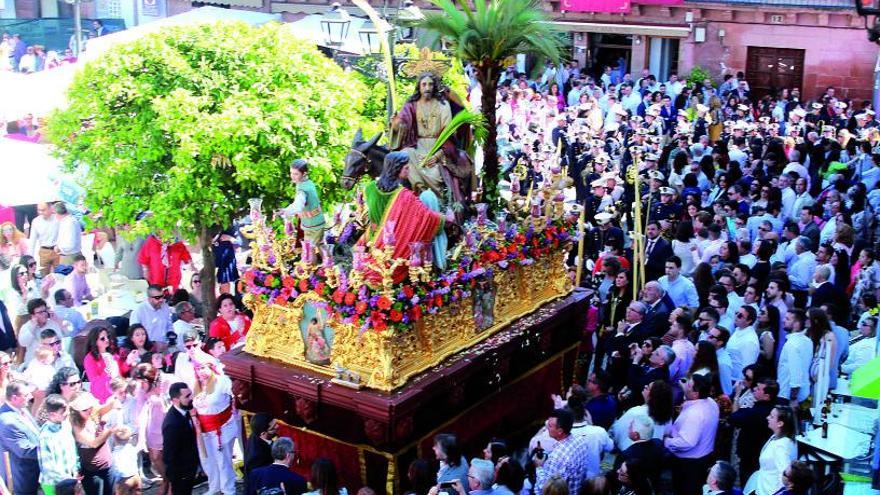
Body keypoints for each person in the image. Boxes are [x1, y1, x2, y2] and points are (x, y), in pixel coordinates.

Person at [360, 151, 450, 284]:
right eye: (406, 168)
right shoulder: (403, 195)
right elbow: (425, 216)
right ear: (397, 169)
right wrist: (445, 218)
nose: (409, 171)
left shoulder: (369, 188)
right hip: (395, 244)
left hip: (373, 241)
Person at [389, 71, 472, 203]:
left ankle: (439, 201)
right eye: (424, 84)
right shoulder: (411, 104)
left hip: (438, 144)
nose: (427, 87)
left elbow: (448, 132)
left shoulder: (442, 105)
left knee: (435, 171)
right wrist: (396, 124)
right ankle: (420, 191)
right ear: (419, 86)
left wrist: (437, 155)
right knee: (405, 154)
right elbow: (402, 124)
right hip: (417, 145)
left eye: (430, 84)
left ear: (434, 86)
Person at [664, 373, 719, 495]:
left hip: (689, 465)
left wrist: (666, 442)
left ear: (696, 394)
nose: (685, 384)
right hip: (703, 457)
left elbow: (687, 442)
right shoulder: (711, 402)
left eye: (688, 384)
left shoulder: (695, 414)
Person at [192, 360, 238, 495]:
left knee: (223, 460)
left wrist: (234, 410)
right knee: (207, 460)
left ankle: (228, 490)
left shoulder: (221, 381)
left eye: (203, 368)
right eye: (198, 369)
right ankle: (214, 487)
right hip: (203, 430)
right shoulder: (196, 384)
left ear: (210, 367)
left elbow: (235, 394)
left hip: (222, 427)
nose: (201, 372)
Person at [727, 378, 779, 484]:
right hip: (759, 456)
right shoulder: (773, 408)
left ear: (766, 396)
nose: (754, 389)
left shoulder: (755, 413)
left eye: (759, 389)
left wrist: (737, 397)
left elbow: (732, 418)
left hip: (750, 458)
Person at [70, 392, 118, 495]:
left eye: (89, 407)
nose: (89, 410)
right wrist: (109, 431)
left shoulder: (93, 412)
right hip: (92, 472)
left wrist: (114, 401)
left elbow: (103, 409)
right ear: (76, 411)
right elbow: (93, 443)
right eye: (84, 409)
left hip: (108, 466)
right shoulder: (76, 426)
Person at [533, 408, 589, 495]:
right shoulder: (580, 440)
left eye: (550, 426)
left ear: (560, 431)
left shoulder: (556, 457)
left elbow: (545, 488)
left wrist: (539, 467)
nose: (547, 427)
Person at [744, 406, 797, 495]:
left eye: (771, 416)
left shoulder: (781, 446)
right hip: (763, 488)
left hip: (771, 491)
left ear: (780, 423)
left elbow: (785, 474)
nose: (767, 417)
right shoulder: (775, 438)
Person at [0, 381, 40, 495]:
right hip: (24, 477)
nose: (31, 397)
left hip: (35, 472)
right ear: (14, 398)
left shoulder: (21, 409)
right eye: (26, 395)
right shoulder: (7, 421)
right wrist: (50, 450)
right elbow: (24, 450)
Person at [162, 382, 200, 495]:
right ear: (175, 400)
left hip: (189, 468)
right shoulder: (172, 424)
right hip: (181, 473)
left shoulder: (185, 412)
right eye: (187, 396)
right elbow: (169, 454)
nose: (191, 398)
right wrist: (176, 477)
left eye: (190, 394)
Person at [38, 394, 79, 495]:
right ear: (52, 414)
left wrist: (76, 469)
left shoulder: (66, 426)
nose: (67, 413)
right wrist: (67, 479)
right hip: (53, 484)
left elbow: (73, 450)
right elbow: (48, 467)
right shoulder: (46, 435)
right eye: (63, 411)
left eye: (67, 410)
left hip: (70, 479)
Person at [282, 159, 326, 247]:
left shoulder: (303, 189)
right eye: (291, 173)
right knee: (320, 245)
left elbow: (298, 206)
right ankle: (329, 259)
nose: (292, 176)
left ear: (304, 174)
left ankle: (325, 260)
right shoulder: (307, 182)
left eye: (296, 174)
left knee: (309, 250)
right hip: (315, 221)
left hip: (312, 224)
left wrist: (285, 211)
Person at [18, 298, 66, 365]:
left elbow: (62, 338)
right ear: (33, 315)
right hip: (34, 363)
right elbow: (23, 343)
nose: (44, 314)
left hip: (54, 361)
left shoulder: (52, 323)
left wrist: (58, 321)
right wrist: (33, 327)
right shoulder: (27, 327)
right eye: (40, 312)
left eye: (45, 311)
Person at [82, 325, 121, 404]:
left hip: (117, 393)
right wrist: (106, 371)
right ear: (95, 341)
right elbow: (95, 382)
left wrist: (128, 362)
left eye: (108, 337)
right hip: (101, 398)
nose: (107, 340)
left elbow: (120, 373)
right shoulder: (89, 358)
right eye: (103, 338)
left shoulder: (112, 354)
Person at [245, 413, 277, 486]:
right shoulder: (257, 456)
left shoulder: (256, 434)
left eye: (276, 423)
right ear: (263, 433)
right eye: (273, 428)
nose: (277, 426)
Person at [29, 202, 59, 276]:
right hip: (44, 251)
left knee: (60, 275)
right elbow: (32, 240)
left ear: (50, 208)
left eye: (43, 210)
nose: (41, 212)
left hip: (58, 250)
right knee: (44, 276)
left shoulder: (58, 218)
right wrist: (30, 257)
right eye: (39, 210)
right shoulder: (36, 221)